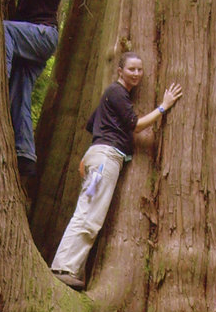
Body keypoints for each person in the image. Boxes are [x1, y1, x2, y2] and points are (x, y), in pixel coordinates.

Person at [51, 52, 183, 289]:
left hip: (98, 157)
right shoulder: (117, 92)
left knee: (87, 210)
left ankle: (66, 265)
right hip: (105, 160)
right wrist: (163, 107)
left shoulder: (112, 95)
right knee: (90, 214)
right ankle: (64, 268)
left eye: (139, 70)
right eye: (131, 69)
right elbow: (135, 125)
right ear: (120, 70)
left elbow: (92, 124)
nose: (136, 73)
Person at [0, 0, 74, 177]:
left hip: (41, 36)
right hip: (30, 40)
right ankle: (26, 155)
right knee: (21, 93)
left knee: (4, 28)